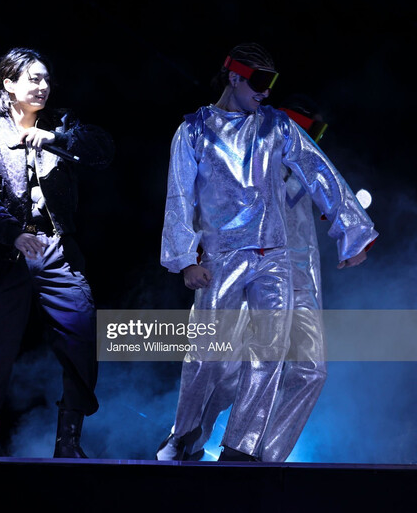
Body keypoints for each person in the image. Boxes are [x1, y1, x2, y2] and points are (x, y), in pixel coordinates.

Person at [158, 43, 377, 462]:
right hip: (222, 257)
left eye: (272, 83)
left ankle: (240, 448)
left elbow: (319, 171)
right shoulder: (193, 130)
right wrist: (186, 259)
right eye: (260, 81)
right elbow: (179, 197)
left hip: (274, 255)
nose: (266, 92)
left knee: (269, 353)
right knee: (209, 356)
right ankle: (184, 435)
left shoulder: (276, 126)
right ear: (235, 76)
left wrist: (353, 231)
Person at [0, 48, 114, 458]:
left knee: (83, 336)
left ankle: (69, 440)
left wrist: (56, 138)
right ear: (8, 84)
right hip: (8, 254)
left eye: (46, 79)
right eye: (33, 78)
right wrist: (12, 234)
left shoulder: (62, 126)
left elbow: (102, 152)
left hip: (57, 250)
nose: (43, 86)